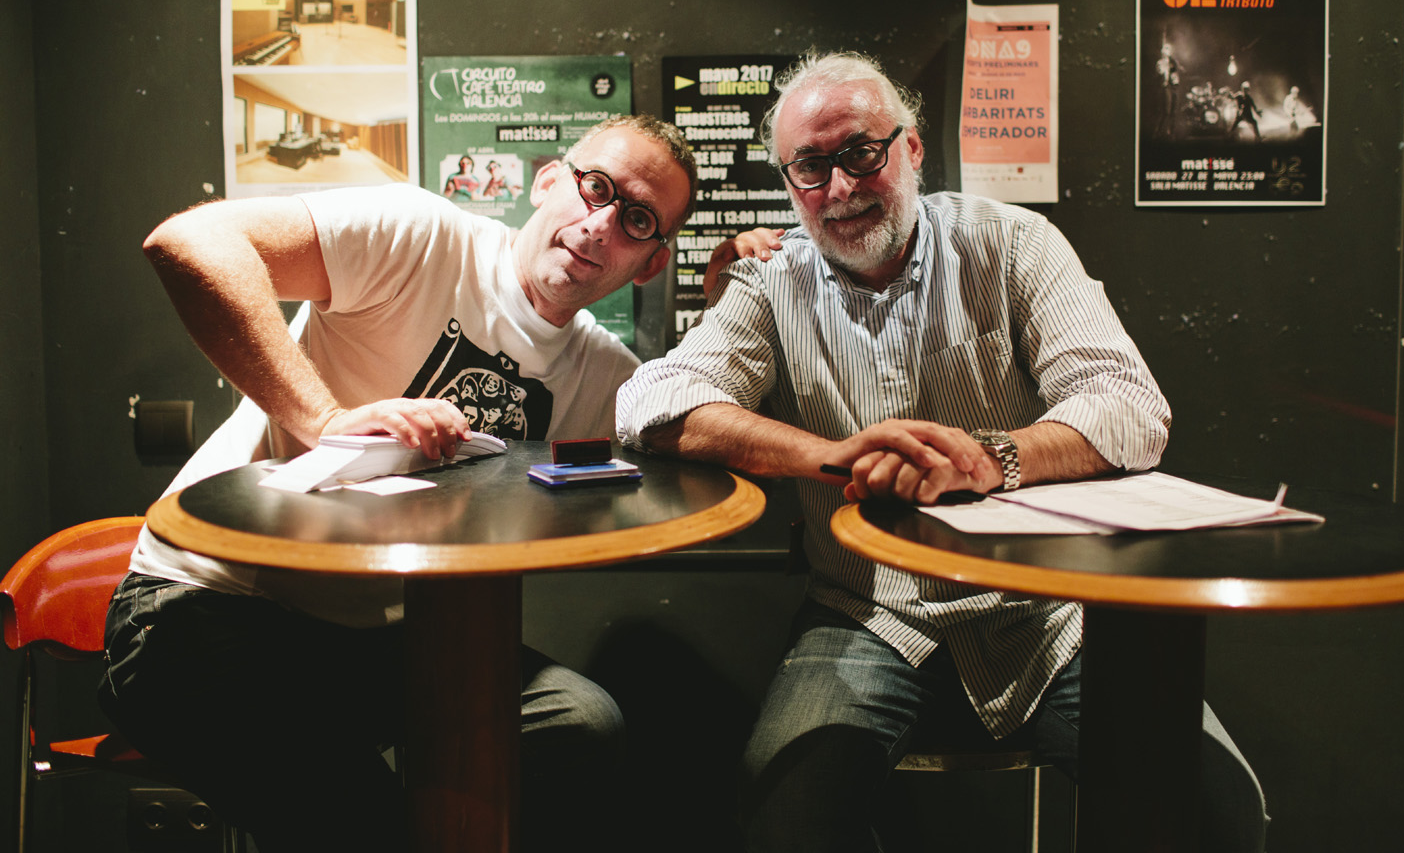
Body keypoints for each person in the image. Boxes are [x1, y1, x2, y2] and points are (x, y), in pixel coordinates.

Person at [617, 52, 1268, 852]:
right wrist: (835, 457)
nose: (840, 188)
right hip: (865, 611)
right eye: (810, 167)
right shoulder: (769, 280)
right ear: (788, 181)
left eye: (862, 152)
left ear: (913, 148)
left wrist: (992, 458)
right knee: (784, 819)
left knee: (1215, 808)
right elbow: (649, 401)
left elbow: (1131, 406)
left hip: (1046, 611)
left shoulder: (1012, 243)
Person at [100, 114, 698, 852]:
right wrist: (326, 420)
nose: (601, 223)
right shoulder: (421, 236)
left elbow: (700, 426)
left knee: (579, 724)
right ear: (548, 180)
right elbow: (190, 242)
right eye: (595, 187)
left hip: (367, 640)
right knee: (365, 825)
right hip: (203, 607)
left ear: (649, 264)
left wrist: (734, 290)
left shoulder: (604, 374)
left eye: (637, 219)